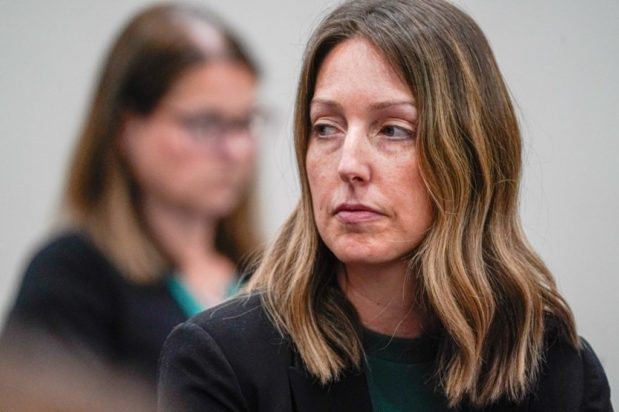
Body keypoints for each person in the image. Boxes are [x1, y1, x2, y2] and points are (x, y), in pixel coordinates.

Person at [158, 0, 613, 411]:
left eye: (393, 130)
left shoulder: (556, 368)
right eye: (326, 127)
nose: (348, 165)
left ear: (468, 155)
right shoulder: (222, 360)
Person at [0, 2, 262, 408]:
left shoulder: (267, 277)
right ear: (126, 129)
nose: (236, 150)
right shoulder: (71, 275)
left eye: (244, 122)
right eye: (205, 123)